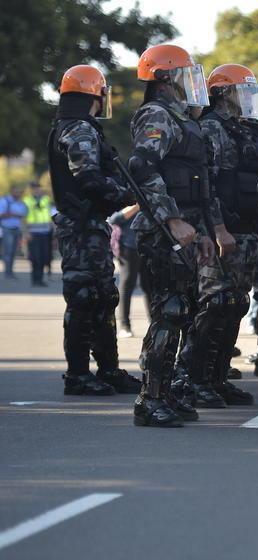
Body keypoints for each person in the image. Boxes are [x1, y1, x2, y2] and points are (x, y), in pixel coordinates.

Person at [129, 44, 216, 426]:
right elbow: (142, 168)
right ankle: (150, 399)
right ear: (165, 78)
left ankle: (167, 393)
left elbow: (200, 182)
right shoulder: (157, 115)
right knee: (169, 311)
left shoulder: (183, 120)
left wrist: (207, 231)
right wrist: (172, 220)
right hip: (163, 232)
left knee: (184, 311)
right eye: (183, 74)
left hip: (187, 231)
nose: (189, 82)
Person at [47, 64, 142, 396]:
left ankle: (108, 370)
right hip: (81, 226)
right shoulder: (80, 130)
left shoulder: (75, 127)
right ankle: (77, 375)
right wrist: (128, 195)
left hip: (90, 226)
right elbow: (88, 178)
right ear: (95, 95)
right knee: (85, 298)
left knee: (103, 297)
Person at [183, 63, 258, 409]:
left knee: (236, 303)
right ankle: (194, 378)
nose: (248, 97)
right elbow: (207, 185)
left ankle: (218, 377)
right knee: (215, 304)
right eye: (242, 90)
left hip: (249, 232)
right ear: (222, 94)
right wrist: (217, 228)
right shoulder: (210, 129)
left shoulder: (251, 129)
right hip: (221, 231)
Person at [109, 204, 147, 337]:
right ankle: (125, 326)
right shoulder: (125, 191)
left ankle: (154, 322)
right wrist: (135, 207)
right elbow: (113, 219)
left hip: (149, 244)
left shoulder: (153, 188)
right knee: (127, 285)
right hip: (128, 246)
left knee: (149, 286)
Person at [24, 183, 55, 286]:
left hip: (45, 233)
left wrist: (53, 232)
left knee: (44, 257)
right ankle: (35, 279)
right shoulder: (27, 201)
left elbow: (50, 216)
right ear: (31, 190)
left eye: (39, 189)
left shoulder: (46, 200)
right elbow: (23, 219)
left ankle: (40, 279)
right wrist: (26, 233)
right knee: (35, 257)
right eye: (35, 189)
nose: (38, 191)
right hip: (33, 233)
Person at [1, 186, 28, 279]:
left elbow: (24, 214)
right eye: (16, 191)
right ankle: (7, 273)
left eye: (19, 192)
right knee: (8, 252)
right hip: (7, 229)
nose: (18, 193)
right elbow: (1, 214)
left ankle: (11, 272)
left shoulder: (20, 202)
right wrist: (13, 214)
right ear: (11, 191)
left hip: (17, 229)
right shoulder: (5, 201)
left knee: (13, 252)